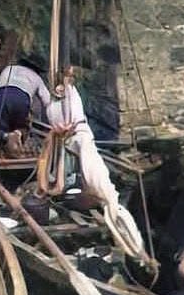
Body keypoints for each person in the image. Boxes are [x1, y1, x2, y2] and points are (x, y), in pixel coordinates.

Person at [46, 72, 151, 266]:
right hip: (67, 141)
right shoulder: (53, 104)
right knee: (72, 185)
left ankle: (137, 251)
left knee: (108, 196)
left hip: (76, 139)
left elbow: (71, 123)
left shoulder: (72, 98)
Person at [126, 149, 184, 295]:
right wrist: (152, 234)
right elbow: (136, 216)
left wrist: (183, 245)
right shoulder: (147, 185)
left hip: (173, 234)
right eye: (181, 177)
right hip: (151, 233)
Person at [0, 52, 50, 157]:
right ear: (38, 70)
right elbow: (47, 101)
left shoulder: (9, 68)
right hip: (21, 98)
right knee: (23, 126)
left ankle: (5, 137)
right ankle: (17, 134)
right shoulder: (37, 78)